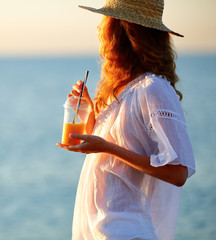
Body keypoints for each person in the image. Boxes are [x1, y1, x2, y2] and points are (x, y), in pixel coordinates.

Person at [56, 0, 196, 239]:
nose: (100, 28)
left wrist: (107, 148)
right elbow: (102, 150)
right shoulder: (122, 87)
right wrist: (87, 112)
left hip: (127, 231)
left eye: (105, 21)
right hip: (103, 229)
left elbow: (178, 172)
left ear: (120, 30)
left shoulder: (153, 88)